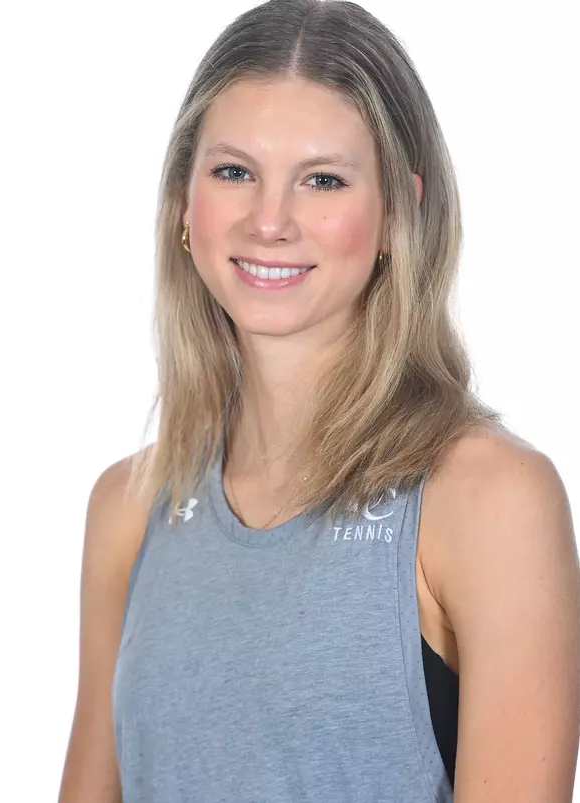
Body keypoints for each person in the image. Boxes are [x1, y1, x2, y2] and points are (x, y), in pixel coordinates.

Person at [58, 1, 580, 801]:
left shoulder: (487, 501)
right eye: (234, 172)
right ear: (182, 207)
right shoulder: (130, 508)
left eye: (322, 180)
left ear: (394, 215)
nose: (269, 221)